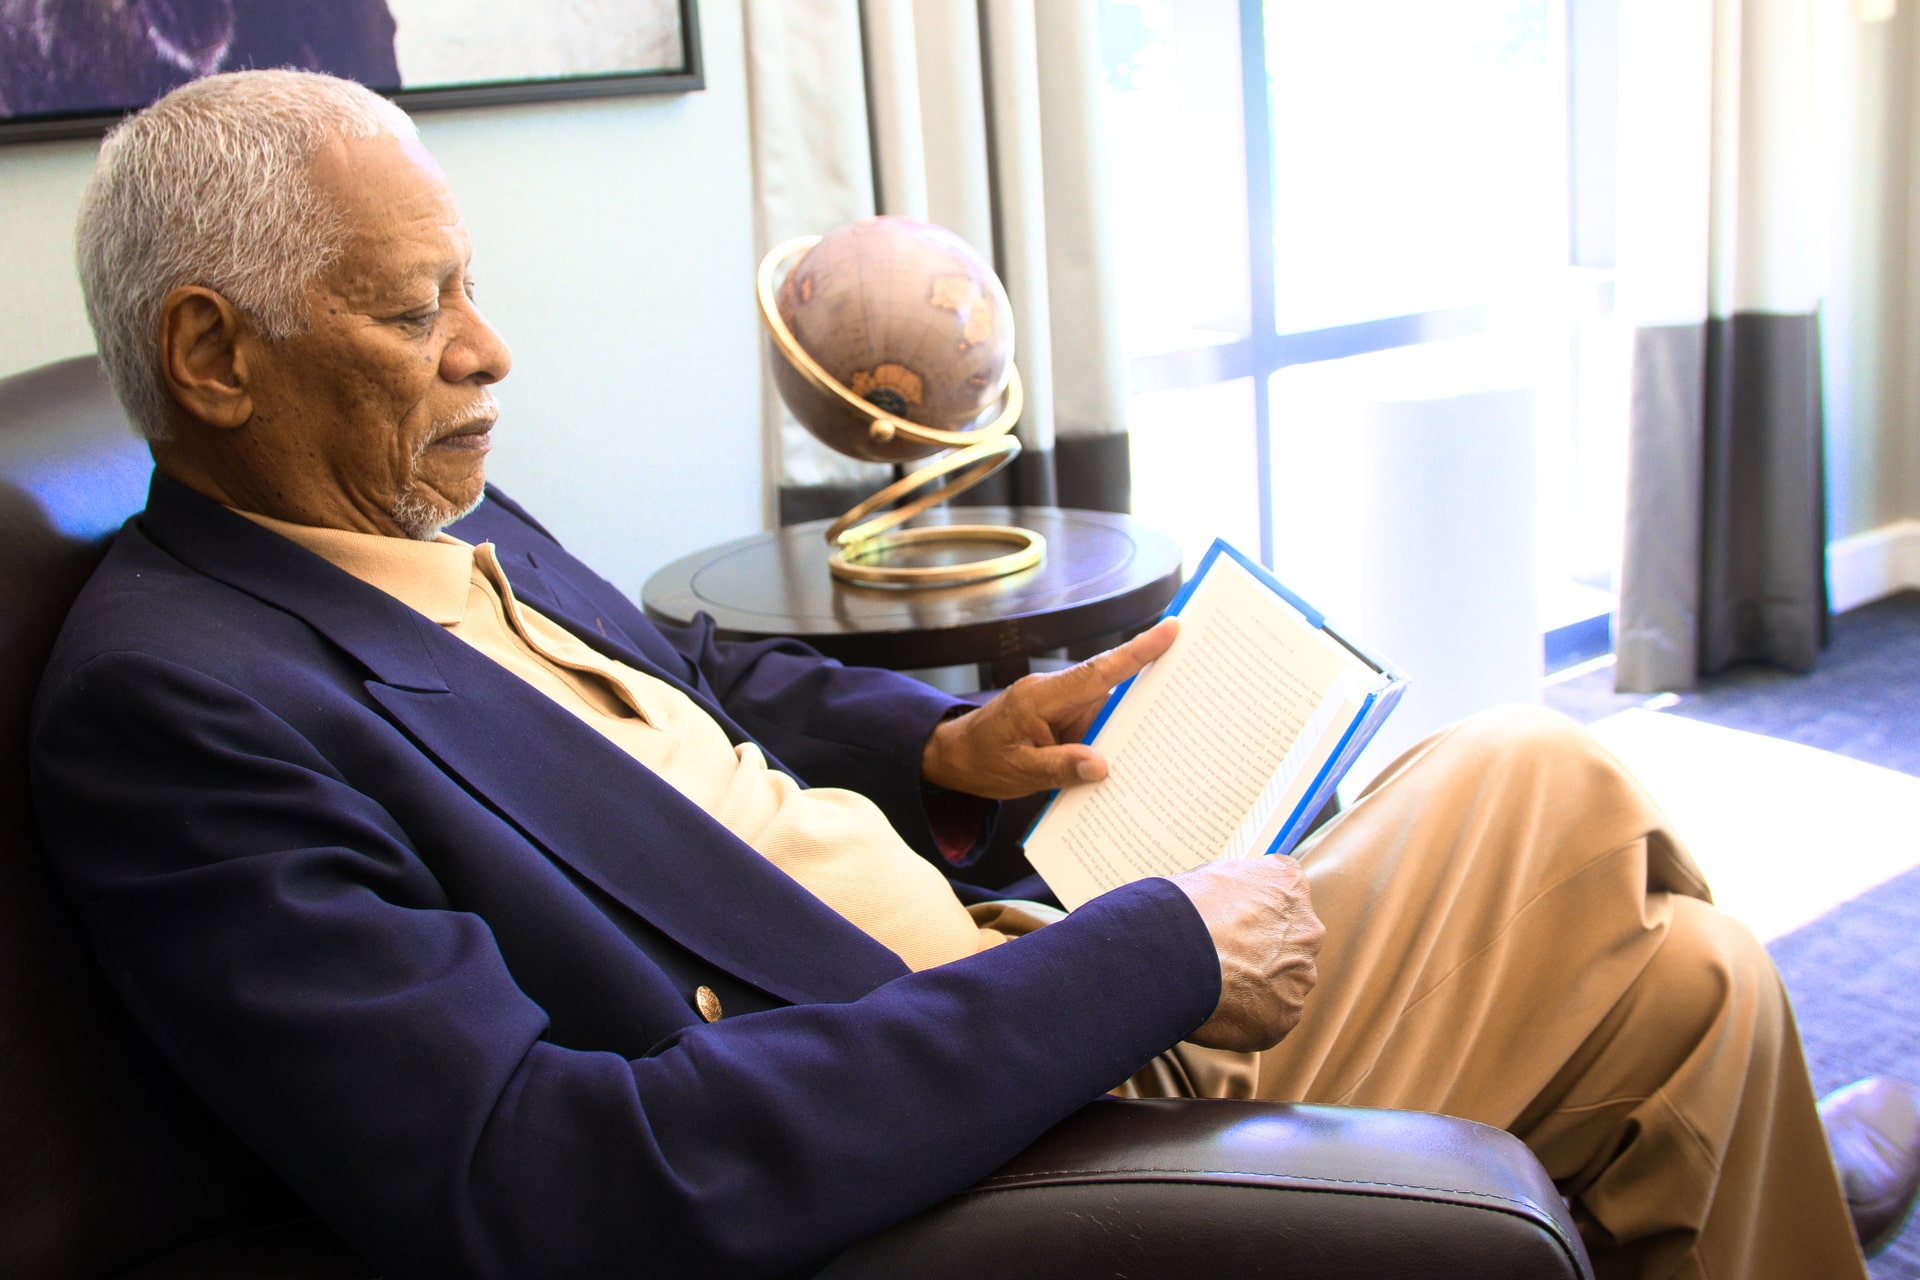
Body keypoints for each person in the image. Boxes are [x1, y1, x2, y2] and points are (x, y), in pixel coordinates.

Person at [26, 68, 1917, 1280]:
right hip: (983, 1121)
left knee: (1694, 980)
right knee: (1550, 777)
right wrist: (1156, 959)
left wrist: (957, 742)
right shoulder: (180, 708)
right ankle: (1764, 1181)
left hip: (998, 949)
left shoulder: (438, 515)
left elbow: (683, 675)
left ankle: (1752, 1185)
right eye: (420, 307)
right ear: (213, 355)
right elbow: (541, 1179)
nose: (490, 350)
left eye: (472, 285)